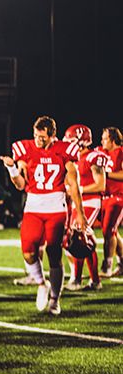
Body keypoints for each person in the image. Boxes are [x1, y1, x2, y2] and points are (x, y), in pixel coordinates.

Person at [1, 116, 85, 315]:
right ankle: (41, 283)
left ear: (53, 135)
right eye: (36, 136)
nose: (38, 140)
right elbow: (20, 185)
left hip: (56, 207)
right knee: (28, 252)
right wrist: (12, 168)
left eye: (42, 137)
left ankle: (55, 299)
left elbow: (74, 184)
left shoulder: (65, 151)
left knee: (54, 254)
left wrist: (79, 213)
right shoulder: (25, 149)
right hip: (33, 206)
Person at [63, 124, 107, 290]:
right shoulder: (74, 160)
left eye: (71, 141)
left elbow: (101, 185)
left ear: (81, 141)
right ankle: (94, 281)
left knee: (79, 238)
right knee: (83, 241)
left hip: (90, 202)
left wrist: (79, 190)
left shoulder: (93, 157)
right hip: (78, 203)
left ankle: (77, 279)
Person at [98, 127, 123, 276]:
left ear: (113, 140)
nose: (102, 141)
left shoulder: (121, 152)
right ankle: (122, 263)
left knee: (109, 231)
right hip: (105, 197)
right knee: (111, 231)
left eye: (105, 138)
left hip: (119, 197)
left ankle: (107, 266)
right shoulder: (103, 153)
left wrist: (106, 174)